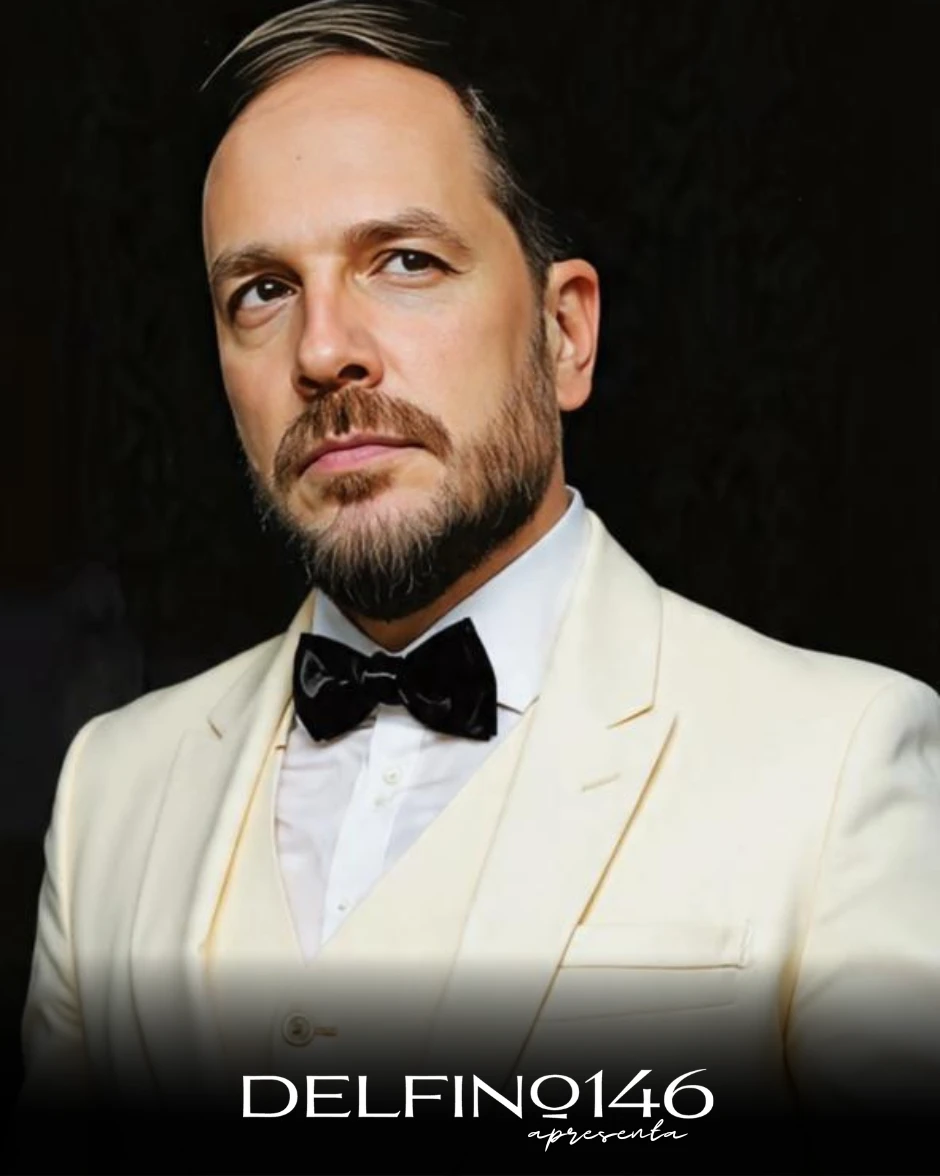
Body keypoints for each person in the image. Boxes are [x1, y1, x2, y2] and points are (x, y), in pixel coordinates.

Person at [18, 0, 940, 1157]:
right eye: (262, 290)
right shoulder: (110, 789)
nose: (322, 351)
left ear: (565, 335)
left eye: (404, 262)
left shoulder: (838, 761)